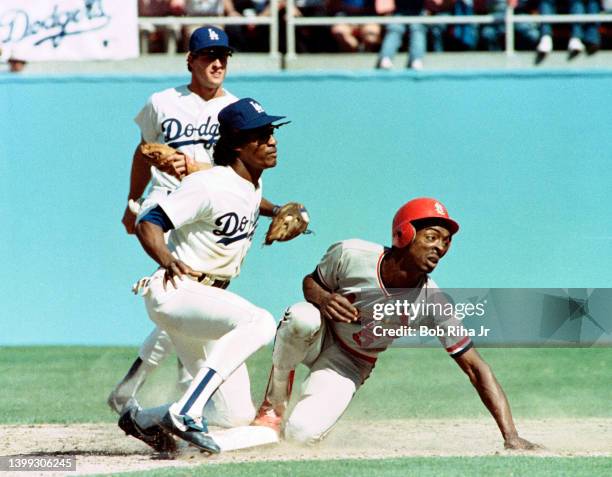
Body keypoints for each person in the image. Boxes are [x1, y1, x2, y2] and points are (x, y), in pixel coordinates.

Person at [253, 198, 540, 450]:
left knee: (300, 435)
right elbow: (311, 282)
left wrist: (510, 435)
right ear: (404, 234)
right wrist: (325, 298)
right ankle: (272, 407)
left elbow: (476, 368)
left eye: (445, 241)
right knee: (301, 317)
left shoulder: (433, 301)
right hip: (319, 331)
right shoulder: (352, 254)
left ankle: (295, 417)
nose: (440, 247)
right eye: (431, 237)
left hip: (349, 362)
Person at [109, 25, 280, 419]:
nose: (217, 62)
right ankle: (184, 402)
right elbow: (144, 152)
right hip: (170, 204)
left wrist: (271, 208)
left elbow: (234, 174)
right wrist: (132, 201)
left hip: (209, 205)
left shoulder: (236, 108)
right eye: (207, 55)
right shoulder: (162, 102)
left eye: (223, 56)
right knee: (187, 290)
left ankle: (137, 393)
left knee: (194, 294)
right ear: (191, 60)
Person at [119, 98, 288, 453]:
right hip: (178, 291)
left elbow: (253, 200)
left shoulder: (248, 185)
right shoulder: (211, 183)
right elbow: (149, 222)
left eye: (271, 132)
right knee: (260, 321)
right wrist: (165, 257)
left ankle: (143, 418)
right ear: (238, 145)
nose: (271, 140)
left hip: (204, 306)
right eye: (261, 135)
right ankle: (185, 411)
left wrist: (290, 212)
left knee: (235, 416)